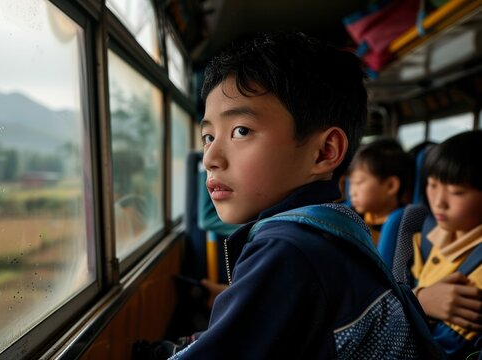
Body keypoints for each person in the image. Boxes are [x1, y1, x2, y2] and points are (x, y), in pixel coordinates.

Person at [165, 32, 442, 360]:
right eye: (208, 136)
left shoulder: (288, 249)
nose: (210, 157)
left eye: (241, 131)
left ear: (325, 152)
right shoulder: (336, 223)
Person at [409, 130, 482, 358]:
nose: (439, 202)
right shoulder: (427, 236)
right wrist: (419, 299)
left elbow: (442, 347)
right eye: (432, 185)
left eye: (455, 192)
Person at [348, 138, 413, 245]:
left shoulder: (405, 227)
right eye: (351, 183)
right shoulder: (350, 216)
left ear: (390, 186)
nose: (352, 192)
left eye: (358, 182)